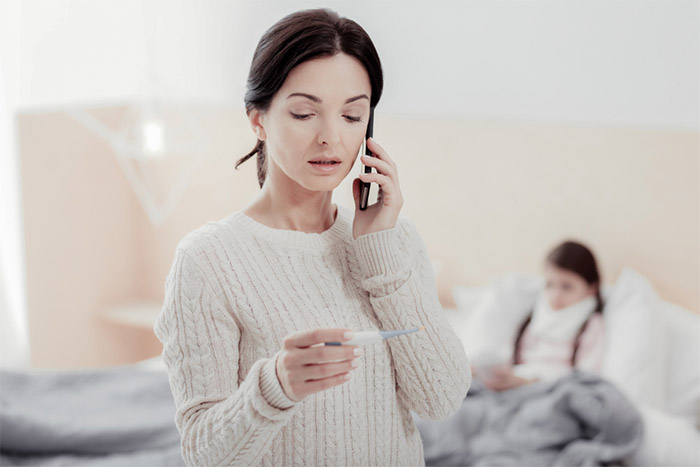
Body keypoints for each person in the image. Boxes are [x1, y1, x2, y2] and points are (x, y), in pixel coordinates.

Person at [153, 8, 471, 467]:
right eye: (304, 113)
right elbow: (203, 453)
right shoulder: (208, 260)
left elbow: (441, 399)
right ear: (258, 120)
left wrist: (378, 250)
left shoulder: (393, 241)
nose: (330, 138)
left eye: (352, 115)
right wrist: (277, 386)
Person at [482, 240, 604, 392]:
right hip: (513, 389)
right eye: (550, 285)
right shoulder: (533, 317)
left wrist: (532, 382)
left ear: (592, 287)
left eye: (567, 287)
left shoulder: (592, 325)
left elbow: (587, 380)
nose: (555, 295)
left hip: (552, 395)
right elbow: (514, 360)